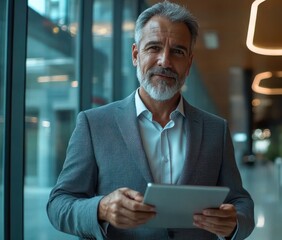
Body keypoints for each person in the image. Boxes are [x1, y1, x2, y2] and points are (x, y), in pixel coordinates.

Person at [46, 1, 255, 239]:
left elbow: (241, 201)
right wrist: (101, 208)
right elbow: (58, 205)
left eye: (177, 51)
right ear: (136, 55)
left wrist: (234, 222)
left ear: (189, 63)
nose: (164, 61)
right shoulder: (94, 124)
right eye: (153, 47)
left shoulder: (216, 129)